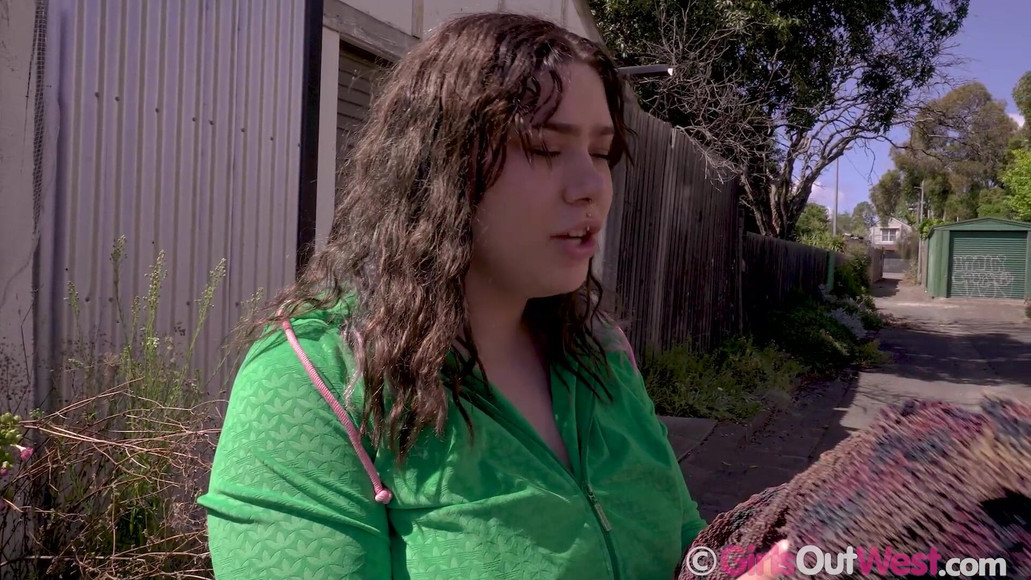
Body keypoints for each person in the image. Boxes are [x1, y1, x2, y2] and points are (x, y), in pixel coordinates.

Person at [198, 12, 787, 579]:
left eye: (601, 153)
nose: (592, 186)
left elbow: (688, 548)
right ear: (441, 166)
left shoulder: (601, 353)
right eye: (546, 149)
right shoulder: (313, 385)